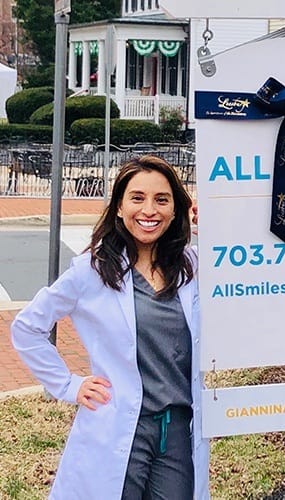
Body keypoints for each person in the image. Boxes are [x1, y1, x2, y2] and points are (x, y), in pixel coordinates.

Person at [11, 155, 209, 499]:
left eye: (162, 200)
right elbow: (27, 328)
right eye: (137, 198)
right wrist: (68, 385)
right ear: (119, 207)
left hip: (178, 429)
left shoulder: (192, 267)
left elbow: (248, 286)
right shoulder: (93, 270)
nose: (149, 210)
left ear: (176, 210)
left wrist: (216, 233)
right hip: (120, 425)